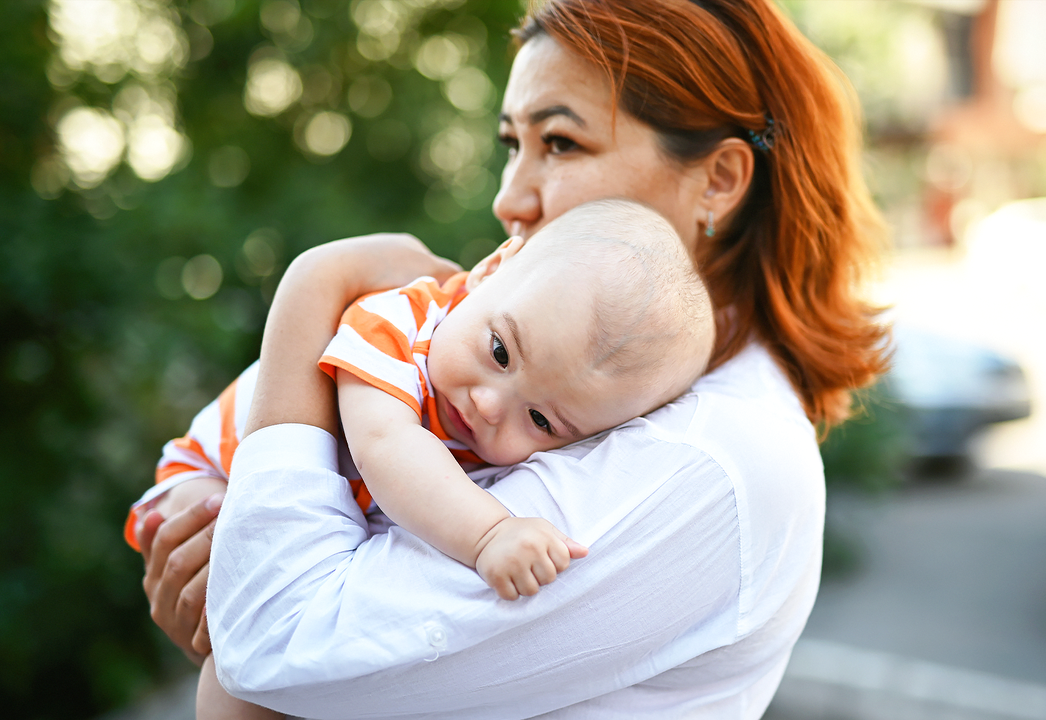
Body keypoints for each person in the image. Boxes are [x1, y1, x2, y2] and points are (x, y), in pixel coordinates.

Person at [136, 1, 890, 717]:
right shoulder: (517, 352)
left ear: (718, 180)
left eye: (560, 142)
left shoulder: (703, 455)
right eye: (512, 144)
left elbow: (275, 636)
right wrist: (216, 534)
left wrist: (315, 283)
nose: (508, 200)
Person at [155, 199, 713, 720]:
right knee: (235, 660)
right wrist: (490, 533)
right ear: (490, 271)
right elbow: (385, 444)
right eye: (500, 352)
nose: (490, 405)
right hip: (210, 471)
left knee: (278, 674)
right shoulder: (398, 320)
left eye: (542, 421)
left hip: (345, 498)